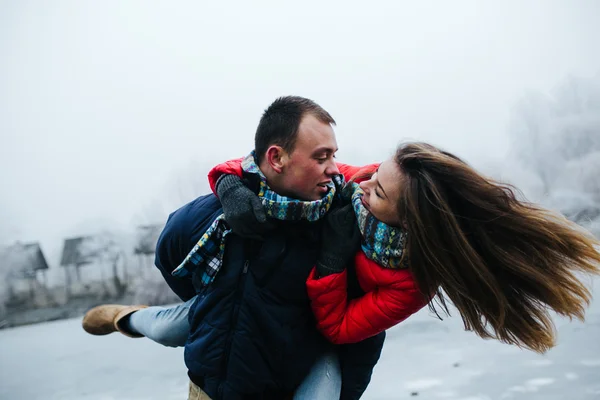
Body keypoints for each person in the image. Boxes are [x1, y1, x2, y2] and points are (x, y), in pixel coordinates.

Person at [82, 96, 386, 400]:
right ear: (277, 158)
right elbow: (169, 255)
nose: (334, 169)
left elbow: (365, 331)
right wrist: (216, 309)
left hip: (289, 379)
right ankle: (127, 318)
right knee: (164, 329)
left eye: (333, 155)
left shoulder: (340, 227)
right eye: (321, 157)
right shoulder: (221, 214)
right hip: (211, 387)